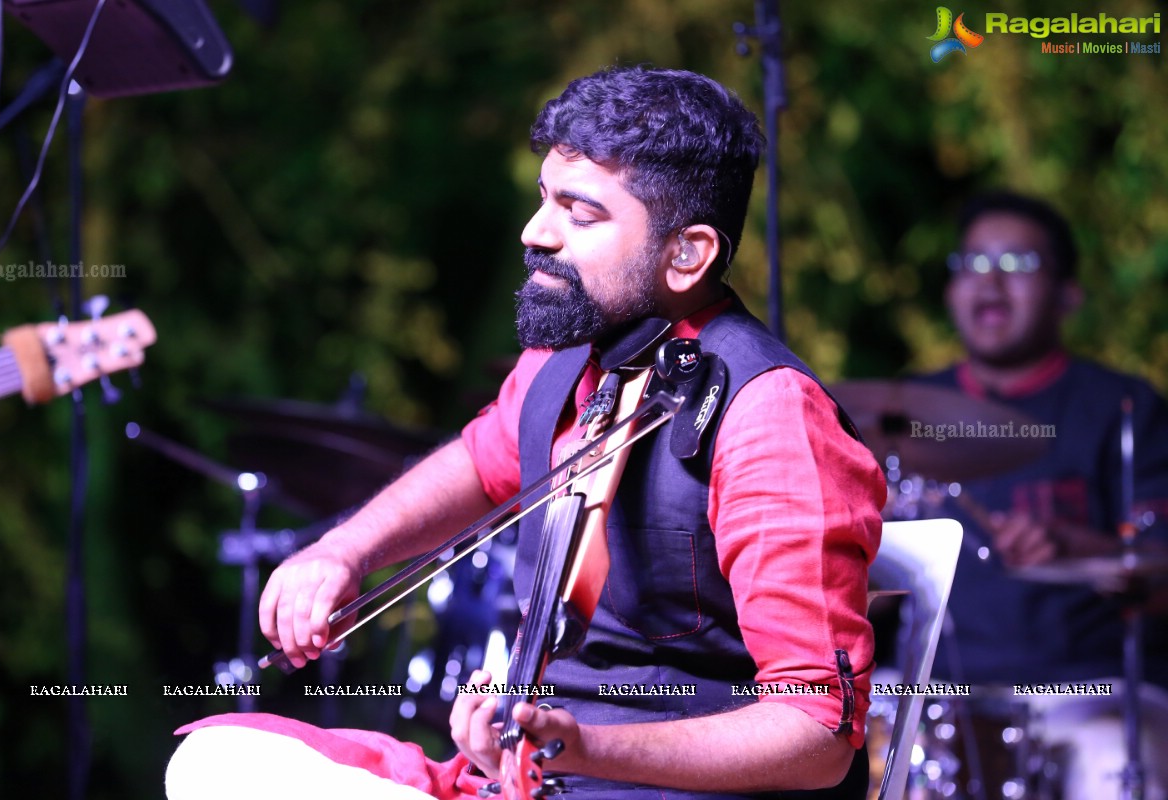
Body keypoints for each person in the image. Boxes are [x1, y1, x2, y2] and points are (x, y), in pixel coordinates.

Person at [164, 66, 884, 800]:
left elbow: (815, 733)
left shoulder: (772, 415)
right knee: (217, 761)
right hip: (538, 783)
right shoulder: (570, 358)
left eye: (581, 213)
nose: (535, 233)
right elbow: (482, 463)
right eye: (545, 198)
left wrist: (582, 745)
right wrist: (344, 550)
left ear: (686, 254)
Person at [908, 190, 1168, 798]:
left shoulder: (1125, 409)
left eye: (1018, 264)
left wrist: (1083, 549)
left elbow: (1159, 565)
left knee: (1118, 754)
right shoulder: (900, 412)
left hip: (1086, 688)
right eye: (971, 263)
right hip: (935, 689)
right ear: (950, 292)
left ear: (1068, 294)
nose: (990, 283)